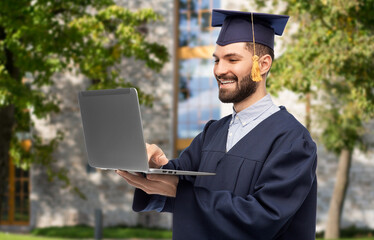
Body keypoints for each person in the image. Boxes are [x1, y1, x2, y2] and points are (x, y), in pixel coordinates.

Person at [117, 9, 317, 240]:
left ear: (263, 65)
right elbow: (178, 185)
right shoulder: (213, 132)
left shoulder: (292, 140)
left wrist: (181, 192)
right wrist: (150, 168)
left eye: (232, 59)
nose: (220, 70)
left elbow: (264, 218)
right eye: (216, 60)